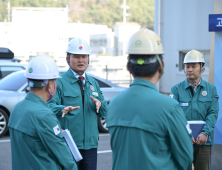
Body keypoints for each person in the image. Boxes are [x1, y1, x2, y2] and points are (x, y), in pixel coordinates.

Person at [106, 28, 193, 170]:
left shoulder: (114, 104)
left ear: (129, 67)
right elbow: (186, 157)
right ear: (161, 67)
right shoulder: (169, 107)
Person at [8, 55, 78, 170]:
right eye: (55, 81)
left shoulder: (17, 109)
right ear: (49, 85)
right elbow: (64, 157)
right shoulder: (44, 115)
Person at [47, 37, 107, 170]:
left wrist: (101, 105)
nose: (81, 60)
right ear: (68, 59)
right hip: (69, 146)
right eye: (76, 56)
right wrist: (63, 108)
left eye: (84, 56)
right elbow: (49, 107)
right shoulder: (60, 82)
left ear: (88, 59)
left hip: (91, 146)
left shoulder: (93, 83)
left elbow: (105, 111)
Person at [170, 50, 219, 170]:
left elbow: (213, 113)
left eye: (193, 66)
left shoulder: (211, 89)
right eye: (187, 66)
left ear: (202, 69)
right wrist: (185, 133)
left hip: (204, 142)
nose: (189, 69)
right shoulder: (176, 89)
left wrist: (205, 133)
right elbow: (174, 114)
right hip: (182, 141)